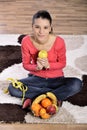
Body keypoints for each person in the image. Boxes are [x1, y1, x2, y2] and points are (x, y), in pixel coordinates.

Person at [8, 10, 82, 109]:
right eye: (37, 27)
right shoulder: (26, 41)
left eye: (45, 27)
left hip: (56, 79)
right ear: (32, 27)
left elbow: (62, 63)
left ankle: (34, 97)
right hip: (35, 79)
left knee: (77, 84)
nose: (41, 32)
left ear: (50, 28)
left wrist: (49, 65)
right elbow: (26, 64)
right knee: (12, 88)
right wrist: (36, 67)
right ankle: (53, 97)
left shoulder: (59, 41)